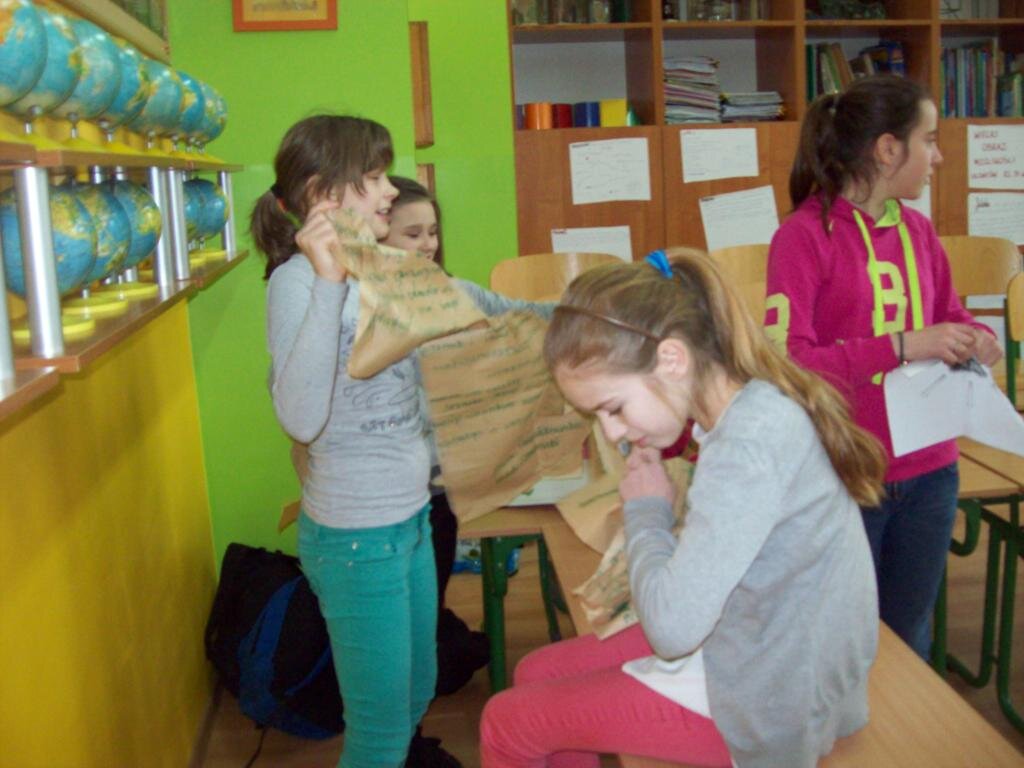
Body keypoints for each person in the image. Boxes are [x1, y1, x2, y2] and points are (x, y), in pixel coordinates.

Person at [480, 249, 886, 768]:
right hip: (771, 656)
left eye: (613, 408)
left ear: (672, 359)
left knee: (506, 723)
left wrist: (646, 513)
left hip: (771, 709)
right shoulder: (748, 407)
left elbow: (671, 632)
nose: (612, 432)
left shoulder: (748, 442)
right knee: (535, 672)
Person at [765, 75, 1002, 659]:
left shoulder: (918, 231)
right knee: (849, 643)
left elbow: (948, 314)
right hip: (848, 471)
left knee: (909, 635)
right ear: (888, 149)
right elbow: (791, 365)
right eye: (930, 140)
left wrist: (976, 336)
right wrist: (901, 345)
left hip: (931, 469)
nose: (938, 157)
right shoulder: (802, 237)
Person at [252, 114, 459, 768]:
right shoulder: (296, 283)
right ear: (323, 193)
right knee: (378, 734)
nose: (390, 190)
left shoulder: (380, 269)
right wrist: (328, 281)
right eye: (373, 177)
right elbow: (300, 418)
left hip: (410, 519)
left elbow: (405, 393)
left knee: (417, 691)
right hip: (357, 539)